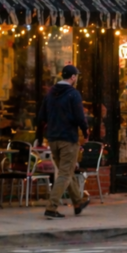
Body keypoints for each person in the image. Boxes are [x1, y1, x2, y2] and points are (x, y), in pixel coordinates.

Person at [35, 64, 91, 219]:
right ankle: (51, 207)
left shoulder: (50, 93)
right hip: (68, 139)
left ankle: (78, 203)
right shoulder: (73, 94)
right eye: (76, 76)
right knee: (65, 174)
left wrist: (45, 133)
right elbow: (80, 117)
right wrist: (85, 132)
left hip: (53, 139)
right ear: (73, 77)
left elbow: (41, 117)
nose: (76, 78)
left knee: (67, 171)